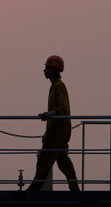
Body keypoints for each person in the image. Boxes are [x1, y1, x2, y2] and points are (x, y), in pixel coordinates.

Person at [27, 55, 80, 192]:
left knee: (44, 161)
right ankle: (75, 190)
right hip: (57, 131)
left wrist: (51, 113)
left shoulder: (59, 86)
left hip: (57, 133)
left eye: (47, 68)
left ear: (53, 70)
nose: (44, 70)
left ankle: (32, 191)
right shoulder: (55, 86)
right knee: (63, 162)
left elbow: (64, 109)